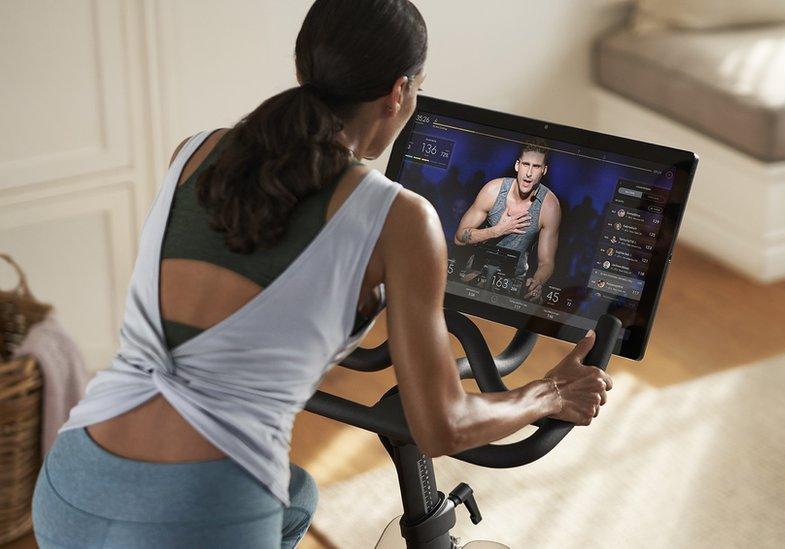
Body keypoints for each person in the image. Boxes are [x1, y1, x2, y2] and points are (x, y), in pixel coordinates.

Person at [30, 1, 612, 548]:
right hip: (197, 510)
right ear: (400, 92)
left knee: (298, 496)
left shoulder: (195, 152)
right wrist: (551, 391)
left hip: (71, 482)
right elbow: (443, 426)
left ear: (302, 67)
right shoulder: (401, 218)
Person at [453, 140, 561, 300]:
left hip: (512, 286)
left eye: (536, 167)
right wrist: (497, 230)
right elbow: (459, 238)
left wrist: (537, 281)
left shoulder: (549, 206)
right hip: (474, 276)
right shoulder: (493, 190)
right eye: (526, 164)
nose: (529, 173)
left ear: (544, 170)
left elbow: (546, 262)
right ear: (517, 165)